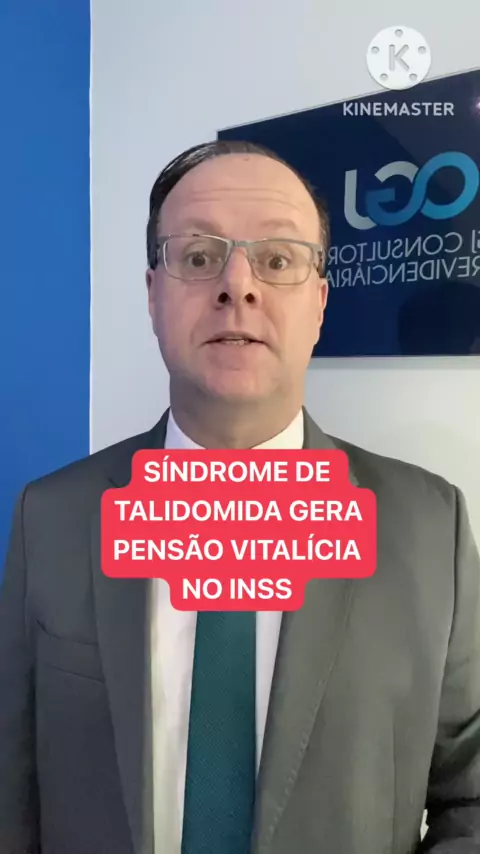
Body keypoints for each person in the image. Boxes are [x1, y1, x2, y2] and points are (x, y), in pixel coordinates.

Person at [0, 139, 479, 854]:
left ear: (320, 303)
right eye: (199, 256)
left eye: (278, 259)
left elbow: (470, 795)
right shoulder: (52, 518)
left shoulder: (428, 527)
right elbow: (14, 794)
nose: (238, 285)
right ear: (153, 295)